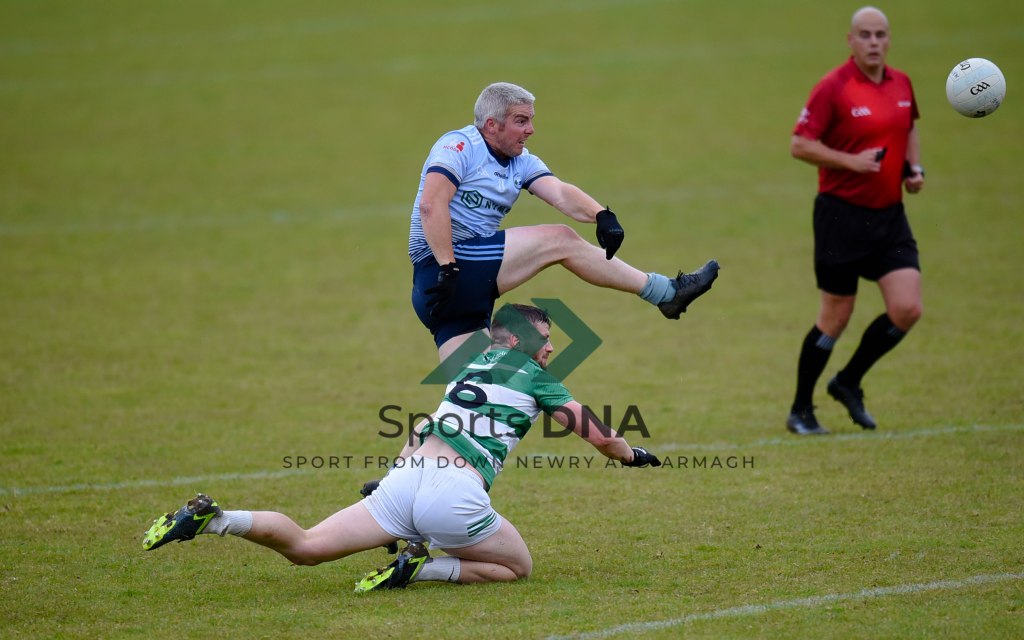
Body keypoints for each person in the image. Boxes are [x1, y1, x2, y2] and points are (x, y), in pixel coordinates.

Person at [141, 304, 662, 591]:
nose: (549, 347)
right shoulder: (535, 377)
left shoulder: (467, 367)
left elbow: (423, 425)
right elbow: (600, 436)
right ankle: (424, 567)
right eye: (542, 338)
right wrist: (632, 455)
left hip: (405, 480)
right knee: (517, 568)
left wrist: (394, 475)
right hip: (454, 494)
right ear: (512, 341)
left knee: (306, 547)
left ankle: (217, 519)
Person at [409, 81, 719, 366]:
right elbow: (430, 205)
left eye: (531, 120)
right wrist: (448, 266)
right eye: (521, 121)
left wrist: (601, 215)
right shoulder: (460, 146)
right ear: (491, 124)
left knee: (479, 395)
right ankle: (666, 293)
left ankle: (441, 420)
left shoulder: (521, 161)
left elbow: (558, 192)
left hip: (454, 294)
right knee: (560, 239)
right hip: (444, 269)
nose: (531, 129)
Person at [785, 6, 925, 436]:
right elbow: (799, 144)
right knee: (836, 317)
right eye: (865, 35)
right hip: (840, 217)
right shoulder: (834, 87)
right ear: (851, 40)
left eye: (880, 35)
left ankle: (847, 381)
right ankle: (801, 410)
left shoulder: (902, 83)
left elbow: (908, 127)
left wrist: (913, 169)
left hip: (889, 218)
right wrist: (852, 162)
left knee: (907, 309)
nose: (874, 42)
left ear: (889, 39)